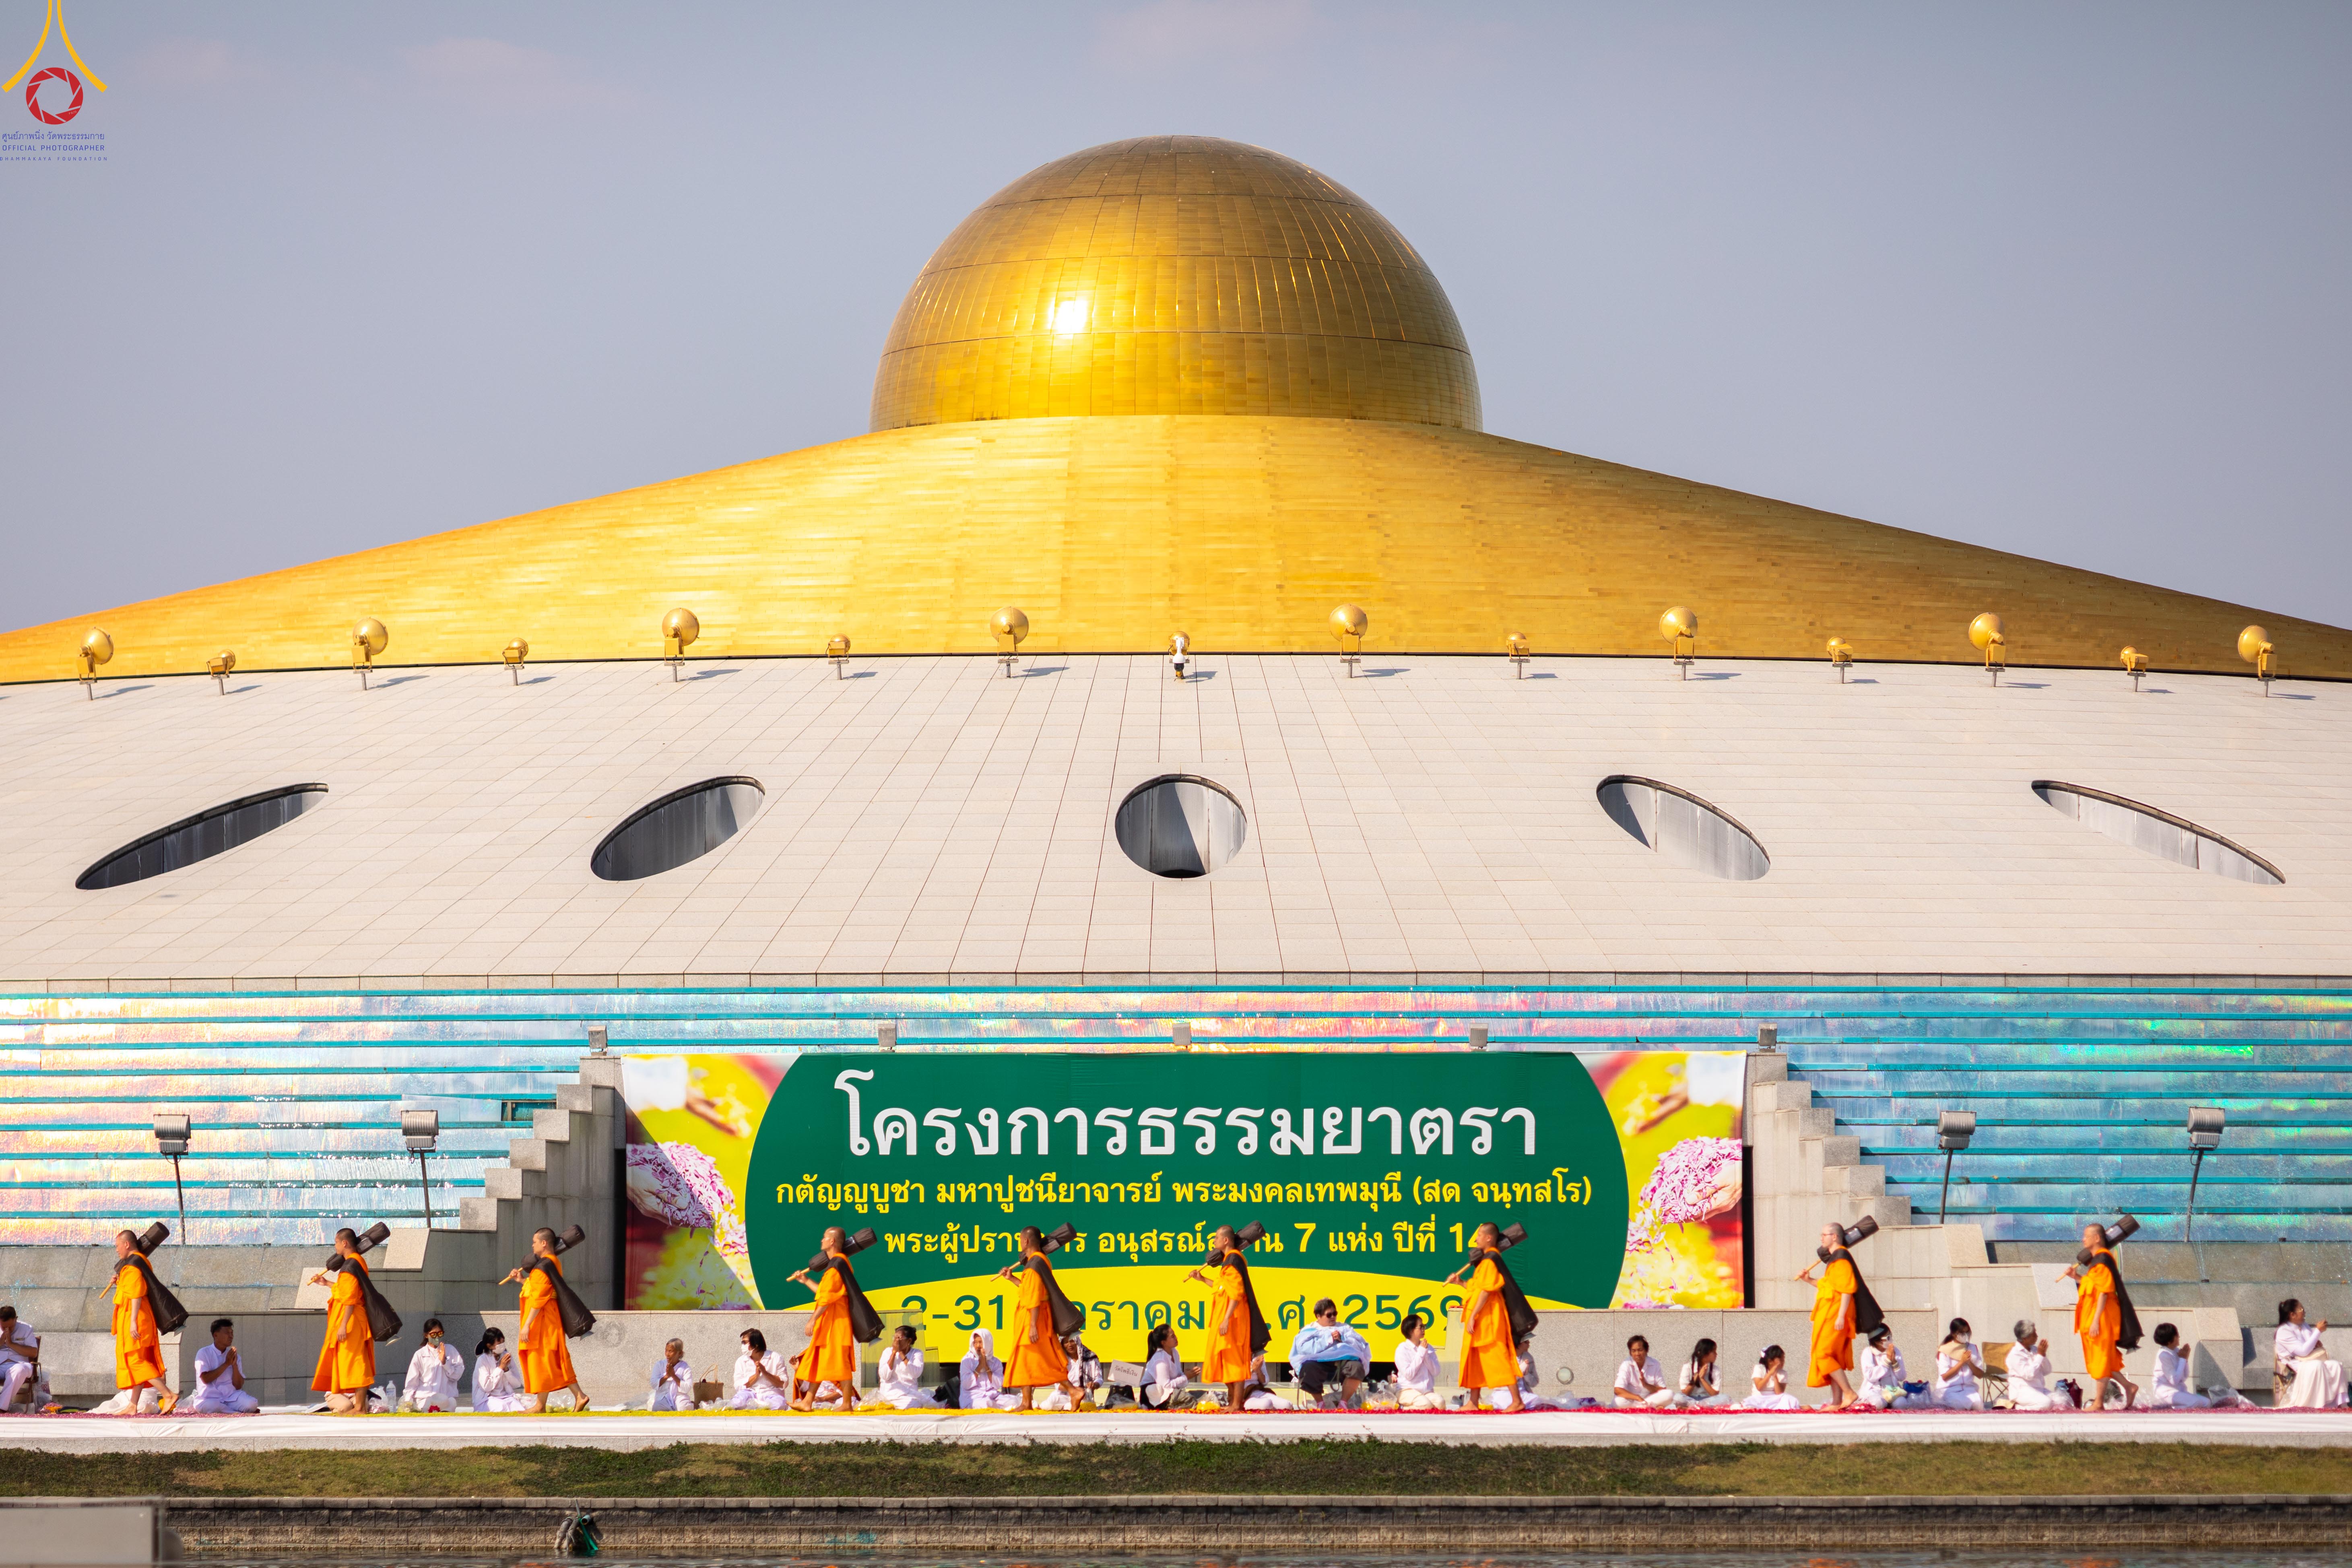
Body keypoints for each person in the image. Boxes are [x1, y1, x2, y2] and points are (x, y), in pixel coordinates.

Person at [499, 1227, 592, 1413]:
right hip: (545, 1319)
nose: (532, 1246)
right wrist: (522, 1280)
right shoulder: (547, 1264)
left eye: (534, 1242)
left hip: (544, 1321)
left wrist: (527, 1325)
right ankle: (541, 1405)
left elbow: (539, 1298)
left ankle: (579, 1396)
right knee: (544, 1361)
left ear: (544, 1243)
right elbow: (536, 1289)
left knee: (548, 1359)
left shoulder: (545, 1265)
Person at [1794, 1223, 1882, 1409]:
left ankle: (1849, 1393)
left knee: (1823, 1354)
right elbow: (1829, 1286)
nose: (1821, 1238)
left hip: (1836, 1314)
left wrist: (1841, 1317)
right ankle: (1836, 1401)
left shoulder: (1841, 1259)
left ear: (1834, 1237)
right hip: (1830, 1312)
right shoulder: (1835, 1259)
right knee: (1833, 1356)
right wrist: (1808, 1280)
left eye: (1824, 1235)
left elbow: (1847, 1290)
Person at [1184, 1225, 1264, 1414]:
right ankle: (1233, 1399)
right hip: (1225, 1319)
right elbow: (1222, 1289)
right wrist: (1202, 1279)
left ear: (1226, 1240)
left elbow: (1236, 1294)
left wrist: (1227, 1319)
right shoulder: (1228, 1261)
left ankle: (1237, 1404)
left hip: (1234, 1320)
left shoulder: (1234, 1259)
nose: (1214, 1242)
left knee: (1235, 1361)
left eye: (1216, 1238)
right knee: (1223, 1360)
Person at [785, 1227, 867, 1412]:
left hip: (837, 1323)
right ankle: (807, 1402)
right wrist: (806, 1280)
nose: (821, 1241)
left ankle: (847, 1404)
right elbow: (824, 1293)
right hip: (830, 1323)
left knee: (841, 1363)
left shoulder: (839, 1265)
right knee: (820, 1360)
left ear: (832, 1241)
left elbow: (828, 1298)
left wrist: (813, 1319)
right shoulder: (834, 1265)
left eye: (824, 1238)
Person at [1447, 1222, 1528, 1412]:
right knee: (1475, 1359)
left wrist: (1474, 1315)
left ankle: (1517, 1401)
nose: (1476, 1240)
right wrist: (1460, 1282)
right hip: (1480, 1320)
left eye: (1479, 1236)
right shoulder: (1485, 1261)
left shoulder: (1492, 1260)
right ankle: (1473, 1402)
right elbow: (1476, 1288)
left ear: (1489, 1238)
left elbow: (1487, 1291)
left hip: (1489, 1319)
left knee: (1498, 1358)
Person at [998, 1226, 1078, 1411]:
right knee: (1029, 1361)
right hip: (1031, 1318)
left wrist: (1033, 1325)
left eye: (1020, 1240)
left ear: (1026, 1241)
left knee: (1037, 1359)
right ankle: (1027, 1402)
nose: (1020, 1243)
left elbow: (1034, 1298)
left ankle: (1073, 1391)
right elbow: (1028, 1291)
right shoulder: (1036, 1262)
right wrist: (1012, 1279)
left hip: (1033, 1320)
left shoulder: (1035, 1264)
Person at [2064, 1223, 2141, 1411]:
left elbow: (2104, 1292)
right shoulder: (2096, 1262)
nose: (2083, 1240)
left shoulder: (2103, 1260)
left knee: (2101, 1357)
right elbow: (2093, 1286)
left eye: (2086, 1236)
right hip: (2093, 1317)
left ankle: (2099, 1403)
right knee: (2105, 1358)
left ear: (2097, 1238)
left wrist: (2096, 1320)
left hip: (2101, 1317)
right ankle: (2129, 1387)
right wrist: (2077, 1277)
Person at [107, 1230, 179, 1415]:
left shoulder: (133, 1266)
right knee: (140, 1360)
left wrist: (133, 1322)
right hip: (139, 1317)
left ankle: (168, 1395)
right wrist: (120, 1282)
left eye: (118, 1246)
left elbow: (137, 1294)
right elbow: (131, 1290)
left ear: (127, 1244)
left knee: (136, 1361)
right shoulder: (136, 1263)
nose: (117, 1250)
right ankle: (133, 1405)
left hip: (137, 1318)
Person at [307, 1228, 377, 1416]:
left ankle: (360, 1407)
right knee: (354, 1361)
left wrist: (344, 1325)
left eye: (336, 1242)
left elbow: (350, 1299)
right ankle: (359, 1406)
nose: (335, 1246)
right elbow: (345, 1291)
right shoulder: (355, 1262)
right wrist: (326, 1283)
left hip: (352, 1322)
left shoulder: (352, 1264)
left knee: (356, 1362)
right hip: (355, 1319)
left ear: (344, 1243)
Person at [1287, 1298, 1372, 1409]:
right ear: (1318, 1316)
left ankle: (1343, 1403)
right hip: (1318, 1363)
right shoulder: (1309, 1331)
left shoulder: (1344, 1328)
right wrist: (1327, 1340)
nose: (1333, 1317)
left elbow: (1361, 1345)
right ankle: (1320, 1403)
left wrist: (1343, 1339)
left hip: (1344, 1362)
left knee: (1357, 1367)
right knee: (1308, 1369)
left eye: (1335, 1314)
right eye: (1329, 1315)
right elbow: (1303, 1348)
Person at [2274, 1299, 2348, 1409]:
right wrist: (2318, 1332)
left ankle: (2339, 1403)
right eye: (2301, 1310)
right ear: (2292, 1315)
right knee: (2317, 1366)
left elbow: (2309, 1344)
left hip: (2309, 1359)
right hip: (2295, 1364)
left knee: (2335, 1365)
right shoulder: (2284, 1331)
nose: (2304, 1313)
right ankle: (2318, 1404)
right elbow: (2303, 1351)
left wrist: (2316, 1342)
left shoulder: (2304, 1325)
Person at [186, 1318, 259, 1415]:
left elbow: (238, 1386)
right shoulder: (204, 1353)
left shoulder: (234, 1356)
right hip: (209, 1399)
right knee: (214, 1406)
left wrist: (234, 1365)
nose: (231, 1336)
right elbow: (206, 1379)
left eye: (232, 1333)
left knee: (252, 1404)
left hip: (231, 1397)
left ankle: (232, 1411)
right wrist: (226, 1364)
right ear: (216, 1335)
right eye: (227, 1333)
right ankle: (237, 1412)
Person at [1856, 1325, 1926, 1411]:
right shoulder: (1868, 1352)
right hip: (1874, 1390)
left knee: (1902, 1404)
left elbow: (1902, 1377)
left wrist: (1894, 1362)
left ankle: (1888, 1404)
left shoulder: (1895, 1351)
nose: (1891, 1340)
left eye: (1891, 1335)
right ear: (1878, 1342)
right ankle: (1884, 1403)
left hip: (1892, 1389)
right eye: (1888, 1338)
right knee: (1878, 1403)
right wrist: (1887, 1362)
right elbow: (1870, 1376)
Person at [403, 1318, 464, 1413]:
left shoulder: (450, 1350)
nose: (437, 1337)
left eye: (440, 1334)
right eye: (433, 1334)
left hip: (446, 1400)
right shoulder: (420, 1355)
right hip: (425, 1399)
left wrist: (445, 1363)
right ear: (426, 1335)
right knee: (427, 1410)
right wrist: (408, 1403)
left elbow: (457, 1375)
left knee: (451, 1405)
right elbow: (411, 1383)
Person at [2003, 1321, 2062, 1411]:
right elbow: (2029, 1375)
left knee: (2061, 1401)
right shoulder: (2015, 1355)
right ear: (2025, 1338)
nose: (2037, 1336)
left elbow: (2047, 1371)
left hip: (2038, 1389)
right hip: (2022, 1391)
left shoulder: (2035, 1350)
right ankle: (2018, 1408)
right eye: (2034, 1334)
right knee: (2046, 1403)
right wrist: (2040, 1356)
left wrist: (2043, 1355)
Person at [876, 1325, 937, 1409]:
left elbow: (916, 1374)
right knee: (912, 1405)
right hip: (891, 1394)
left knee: (933, 1404)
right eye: (895, 1337)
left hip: (910, 1393)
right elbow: (884, 1376)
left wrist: (901, 1353)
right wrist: (894, 1353)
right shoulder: (887, 1352)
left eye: (899, 1338)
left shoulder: (917, 1353)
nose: (896, 1341)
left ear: (909, 1341)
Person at [731, 1327, 793, 1410]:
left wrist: (765, 1373)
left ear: (756, 1344)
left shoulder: (776, 1357)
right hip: (750, 1393)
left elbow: (784, 1383)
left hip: (771, 1393)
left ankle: (760, 1407)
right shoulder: (741, 1361)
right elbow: (738, 1386)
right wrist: (756, 1376)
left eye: (745, 1343)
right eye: (742, 1343)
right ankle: (759, 1407)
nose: (743, 1346)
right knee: (737, 1403)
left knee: (780, 1404)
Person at [1933, 1318, 1985, 1411]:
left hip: (1969, 1389)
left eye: (1967, 1333)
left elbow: (1981, 1375)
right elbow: (1945, 1377)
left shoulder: (1973, 1348)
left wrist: (1969, 1362)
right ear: (1954, 1334)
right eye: (1962, 1333)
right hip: (1950, 1389)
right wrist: (1962, 1362)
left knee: (1978, 1404)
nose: (1965, 1336)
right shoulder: (1945, 1350)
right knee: (1957, 1404)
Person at [0, 1307, 45, 1414]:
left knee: (19, 1371)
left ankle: (1, 1407)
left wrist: (11, 1344)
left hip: (19, 1364)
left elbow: (33, 1353)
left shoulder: (26, 1329)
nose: (7, 1330)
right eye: (4, 1327)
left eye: (10, 1327)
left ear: (16, 1319)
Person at [958, 1327, 1016, 1409]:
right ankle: (999, 1408)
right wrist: (979, 1367)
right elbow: (966, 1385)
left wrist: (987, 1368)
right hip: (974, 1398)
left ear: (988, 1343)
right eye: (975, 1343)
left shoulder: (996, 1362)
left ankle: (998, 1407)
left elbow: (998, 1385)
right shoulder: (967, 1360)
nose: (978, 1346)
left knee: (1014, 1401)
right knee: (986, 1404)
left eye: (981, 1342)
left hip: (992, 1396)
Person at [1393, 1314, 1442, 1410]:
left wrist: (1426, 1355)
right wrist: (1421, 1353)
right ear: (1411, 1330)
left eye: (1424, 1327)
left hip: (1426, 1392)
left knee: (1441, 1403)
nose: (1424, 1330)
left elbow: (1436, 1372)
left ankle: (1420, 1406)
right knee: (1426, 1405)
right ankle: (1402, 1408)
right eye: (1421, 1327)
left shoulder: (1428, 1347)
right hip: (1407, 1390)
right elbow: (1409, 1375)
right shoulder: (1402, 1349)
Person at [472, 1327, 527, 1412]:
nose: (502, 1345)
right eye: (499, 1343)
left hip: (507, 1397)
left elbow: (517, 1384)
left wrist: (507, 1370)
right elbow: (486, 1387)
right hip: (487, 1399)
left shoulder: (507, 1356)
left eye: (503, 1342)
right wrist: (500, 1368)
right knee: (501, 1407)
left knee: (519, 1408)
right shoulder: (482, 1360)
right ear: (489, 1346)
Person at [1613, 1334, 1674, 1408]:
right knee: (1618, 1402)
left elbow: (1663, 1390)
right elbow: (1618, 1390)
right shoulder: (1626, 1364)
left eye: (1640, 1350)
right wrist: (1637, 1398)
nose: (1637, 1354)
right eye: (1634, 1351)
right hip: (1630, 1399)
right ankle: (1647, 1407)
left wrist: (1646, 1385)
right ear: (1630, 1353)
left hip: (1647, 1399)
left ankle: (1642, 1406)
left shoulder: (1655, 1364)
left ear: (1646, 1351)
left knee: (1669, 1394)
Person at [1139, 1323, 1189, 1410]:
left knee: (1196, 1396)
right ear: (1164, 1343)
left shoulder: (1175, 1352)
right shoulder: (1160, 1359)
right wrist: (1186, 1377)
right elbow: (1166, 1385)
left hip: (1169, 1393)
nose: (1176, 1338)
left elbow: (1178, 1375)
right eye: (1172, 1336)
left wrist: (1185, 1375)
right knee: (1189, 1400)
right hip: (1154, 1397)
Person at [1742, 1345, 1800, 1409]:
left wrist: (1775, 1376)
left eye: (1784, 1359)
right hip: (1760, 1398)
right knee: (1751, 1403)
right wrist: (1770, 1374)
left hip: (1775, 1399)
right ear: (1770, 1361)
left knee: (1789, 1398)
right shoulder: (1759, 1368)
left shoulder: (1783, 1373)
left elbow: (1779, 1393)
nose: (1783, 1362)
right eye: (1780, 1360)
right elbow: (1759, 1387)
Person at [650, 1337, 697, 1411]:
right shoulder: (660, 1365)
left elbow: (688, 1388)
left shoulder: (685, 1367)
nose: (667, 1354)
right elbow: (653, 1384)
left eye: (671, 1351)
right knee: (657, 1408)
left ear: (680, 1353)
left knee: (683, 1409)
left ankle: (692, 1404)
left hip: (679, 1397)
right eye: (666, 1351)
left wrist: (674, 1376)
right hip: (663, 1396)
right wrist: (667, 1376)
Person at [1678, 1338, 1726, 1408]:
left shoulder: (1715, 1370)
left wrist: (1702, 1379)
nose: (1716, 1354)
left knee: (1725, 1398)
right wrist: (1696, 1377)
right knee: (1677, 1397)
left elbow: (1715, 1394)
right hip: (1691, 1399)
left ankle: (1693, 1408)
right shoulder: (1688, 1367)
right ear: (1705, 1354)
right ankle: (1700, 1407)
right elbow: (1685, 1393)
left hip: (1708, 1400)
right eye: (1714, 1352)